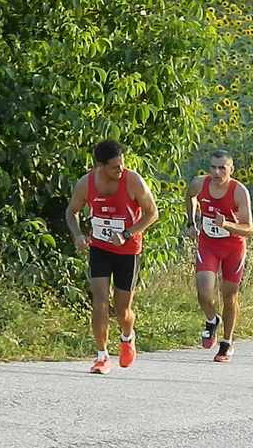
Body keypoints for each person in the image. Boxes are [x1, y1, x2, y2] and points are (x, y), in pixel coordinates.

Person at [65, 139, 159, 374]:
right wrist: (78, 235)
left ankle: (127, 337)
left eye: (122, 165)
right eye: (115, 167)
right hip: (100, 248)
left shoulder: (133, 180)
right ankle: (102, 356)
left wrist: (127, 234)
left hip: (128, 251)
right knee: (99, 302)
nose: (120, 170)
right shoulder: (85, 184)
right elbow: (71, 211)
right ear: (100, 165)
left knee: (122, 311)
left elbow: (152, 213)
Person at [185, 150, 253, 362]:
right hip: (208, 244)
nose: (216, 172)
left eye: (222, 168)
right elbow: (190, 196)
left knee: (229, 295)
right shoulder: (200, 183)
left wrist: (227, 225)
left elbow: (249, 228)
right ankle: (212, 319)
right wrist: (191, 221)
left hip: (233, 247)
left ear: (231, 170)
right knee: (204, 291)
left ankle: (227, 342)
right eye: (213, 167)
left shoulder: (239, 191)